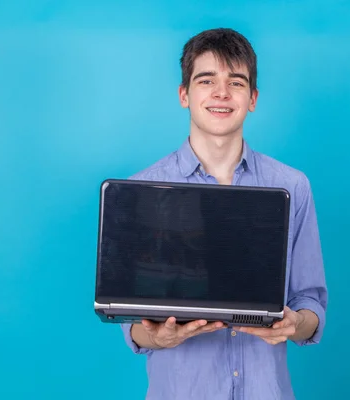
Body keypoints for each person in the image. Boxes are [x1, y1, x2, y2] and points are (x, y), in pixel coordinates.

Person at [121, 27, 328, 400]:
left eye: (236, 82)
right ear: (184, 95)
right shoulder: (143, 190)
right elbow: (132, 320)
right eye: (206, 80)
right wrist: (154, 335)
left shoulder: (293, 186)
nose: (221, 93)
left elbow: (310, 302)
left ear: (253, 99)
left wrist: (294, 324)